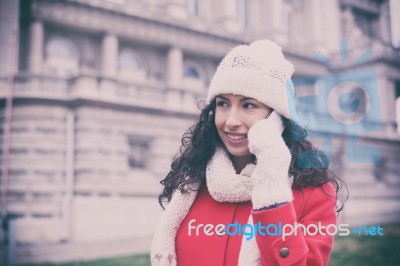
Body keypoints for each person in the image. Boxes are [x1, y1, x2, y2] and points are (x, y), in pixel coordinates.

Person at [151, 39, 346, 266]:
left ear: (277, 118)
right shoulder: (192, 182)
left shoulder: (315, 194)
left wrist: (272, 191)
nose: (231, 121)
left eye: (248, 105)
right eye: (223, 104)